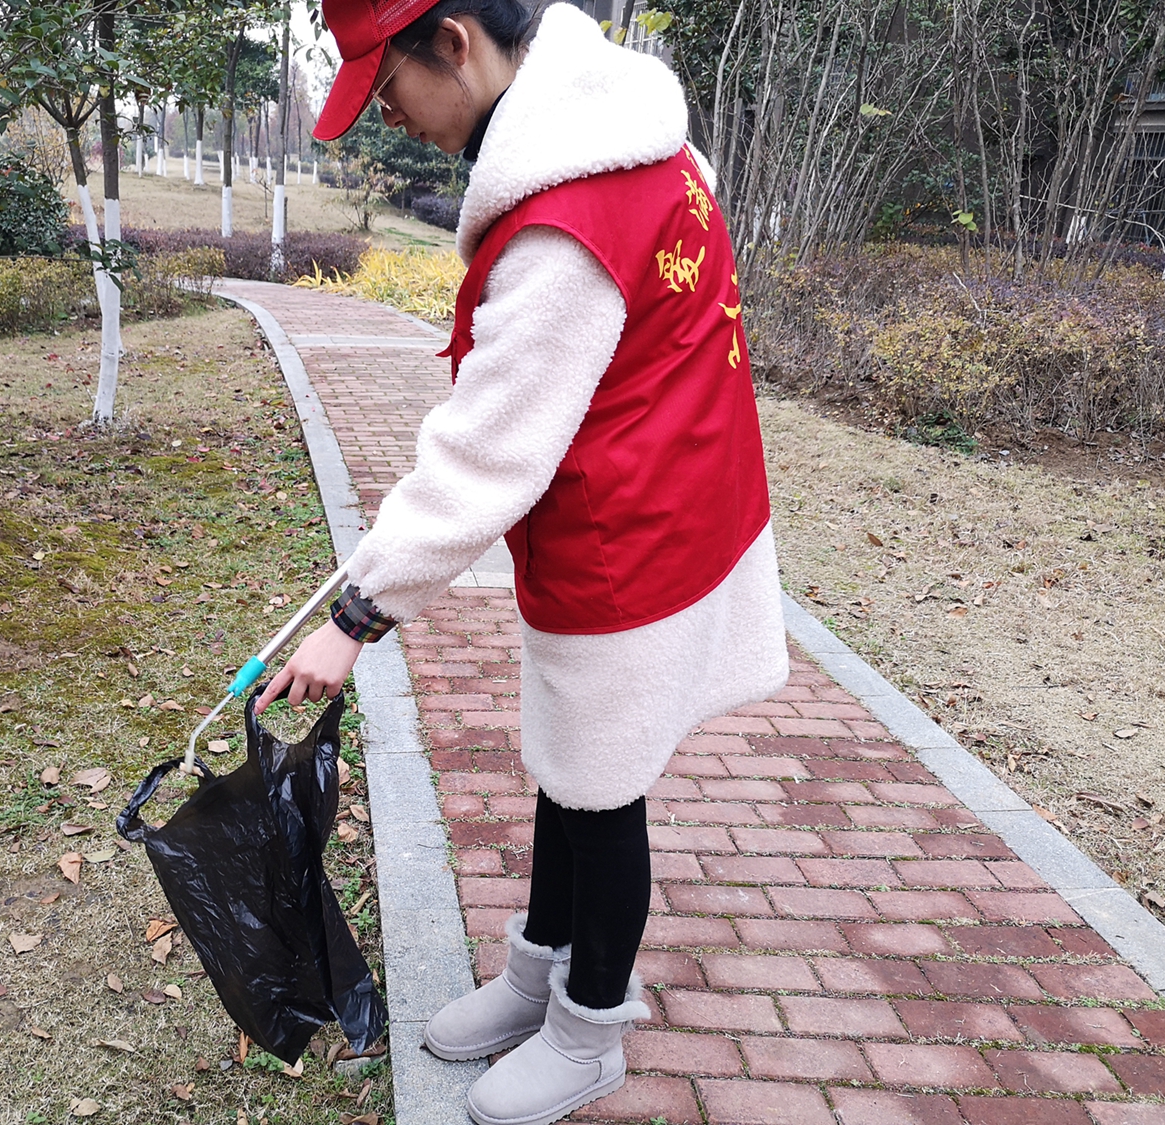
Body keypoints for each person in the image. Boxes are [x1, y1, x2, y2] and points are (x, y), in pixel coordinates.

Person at [253, 1, 789, 1121]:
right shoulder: (640, 136)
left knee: (603, 790)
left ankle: (590, 1029)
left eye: (387, 88)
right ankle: (540, 967)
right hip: (665, 504)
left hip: (630, 547)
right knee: (571, 765)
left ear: (454, 43)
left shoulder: (564, 224)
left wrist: (354, 620)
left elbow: (484, 455)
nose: (391, 118)